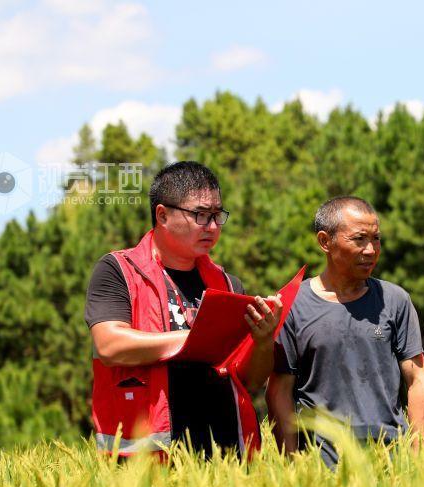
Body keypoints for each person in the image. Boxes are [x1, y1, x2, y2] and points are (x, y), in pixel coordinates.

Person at [85, 160, 281, 458]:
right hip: (150, 459)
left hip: (227, 455)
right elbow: (110, 345)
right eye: (201, 215)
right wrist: (193, 339)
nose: (213, 227)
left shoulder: (228, 284)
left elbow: (250, 380)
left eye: (218, 216)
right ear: (162, 215)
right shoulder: (119, 270)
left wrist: (264, 340)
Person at [266, 196, 424, 467]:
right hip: (321, 466)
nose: (371, 250)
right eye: (359, 239)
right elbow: (279, 390)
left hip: (391, 463)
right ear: (325, 241)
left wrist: (419, 457)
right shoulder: (293, 304)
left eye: (376, 239)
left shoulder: (395, 300)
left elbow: (418, 378)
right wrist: (293, 463)